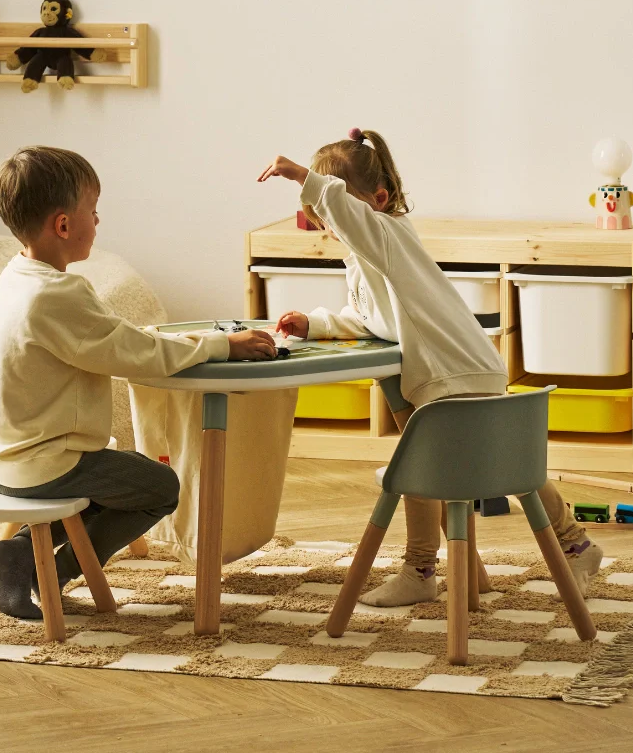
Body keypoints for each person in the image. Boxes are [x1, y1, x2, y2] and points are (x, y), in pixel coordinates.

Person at [258, 128, 603, 606]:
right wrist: (315, 323)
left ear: (378, 201)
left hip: (453, 374)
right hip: (458, 372)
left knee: (430, 468)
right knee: (487, 462)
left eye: (332, 216)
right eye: (323, 222)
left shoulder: (387, 234)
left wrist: (302, 176)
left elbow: (348, 214)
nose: (331, 228)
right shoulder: (369, 254)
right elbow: (373, 317)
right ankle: (570, 545)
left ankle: (424, 569)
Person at [0, 145, 276, 618]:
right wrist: (221, 345)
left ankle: (24, 549)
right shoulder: (57, 294)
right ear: (64, 225)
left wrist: (166, 338)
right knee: (158, 486)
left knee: (122, 472)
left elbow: (112, 339)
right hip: (44, 464)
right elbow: (138, 355)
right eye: (93, 210)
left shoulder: (18, 276)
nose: (98, 220)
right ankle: (48, 569)